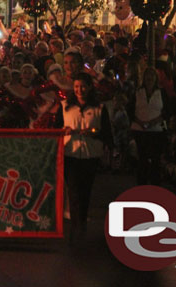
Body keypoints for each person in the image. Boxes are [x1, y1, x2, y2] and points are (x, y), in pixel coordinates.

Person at [58, 72, 113, 242]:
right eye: (76, 86)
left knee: (85, 190)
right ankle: (76, 226)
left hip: (90, 155)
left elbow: (106, 133)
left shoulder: (99, 108)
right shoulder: (65, 106)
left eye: (82, 86)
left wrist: (93, 133)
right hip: (71, 153)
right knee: (73, 190)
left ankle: (81, 220)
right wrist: (64, 132)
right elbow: (56, 128)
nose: (79, 90)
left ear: (89, 87)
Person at [130, 67, 166, 185]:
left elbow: (166, 111)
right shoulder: (137, 92)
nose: (149, 78)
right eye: (147, 75)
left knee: (155, 159)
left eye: (152, 76)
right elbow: (130, 110)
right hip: (139, 129)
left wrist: (154, 121)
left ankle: (155, 184)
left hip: (156, 130)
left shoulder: (161, 93)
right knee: (142, 159)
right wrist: (139, 122)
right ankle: (142, 184)